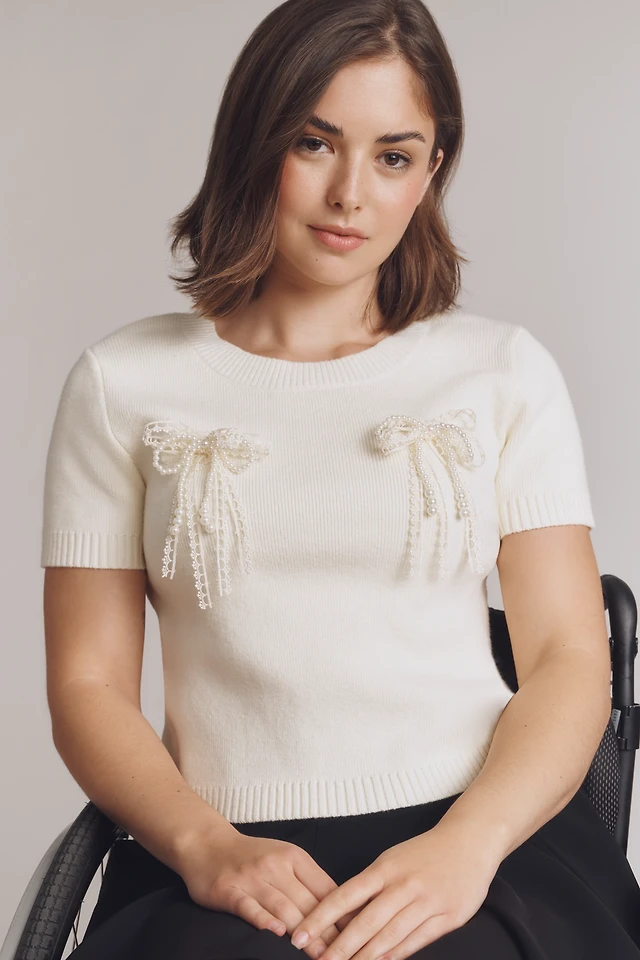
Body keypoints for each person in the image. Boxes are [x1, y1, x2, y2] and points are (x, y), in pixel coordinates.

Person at [40, 1, 640, 958]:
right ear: (253, 141)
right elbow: (87, 684)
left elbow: (571, 657)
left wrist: (465, 849)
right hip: (222, 849)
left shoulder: (502, 372)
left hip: (479, 839)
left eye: (393, 156)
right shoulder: (122, 384)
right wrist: (205, 846)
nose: (350, 193)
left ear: (431, 172)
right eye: (314, 143)